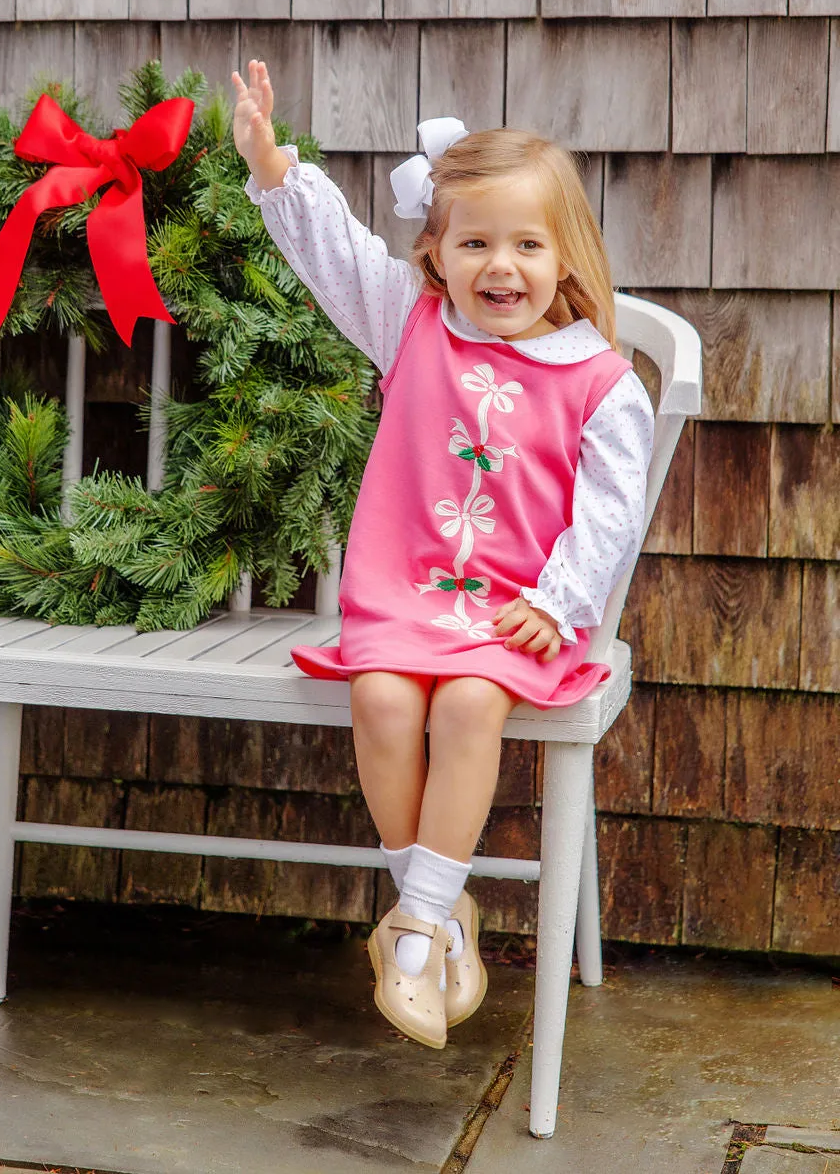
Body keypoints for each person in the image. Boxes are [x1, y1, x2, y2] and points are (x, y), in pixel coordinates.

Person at [231, 59, 654, 1051]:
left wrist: (559, 599)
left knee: (466, 702)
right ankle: (432, 907)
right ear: (435, 250)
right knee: (381, 699)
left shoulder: (601, 381)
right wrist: (272, 168)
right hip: (404, 591)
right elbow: (334, 251)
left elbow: (607, 512)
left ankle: (415, 927)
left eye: (524, 243)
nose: (497, 265)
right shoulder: (410, 323)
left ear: (566, 255)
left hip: (517, 610)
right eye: (472, 241)